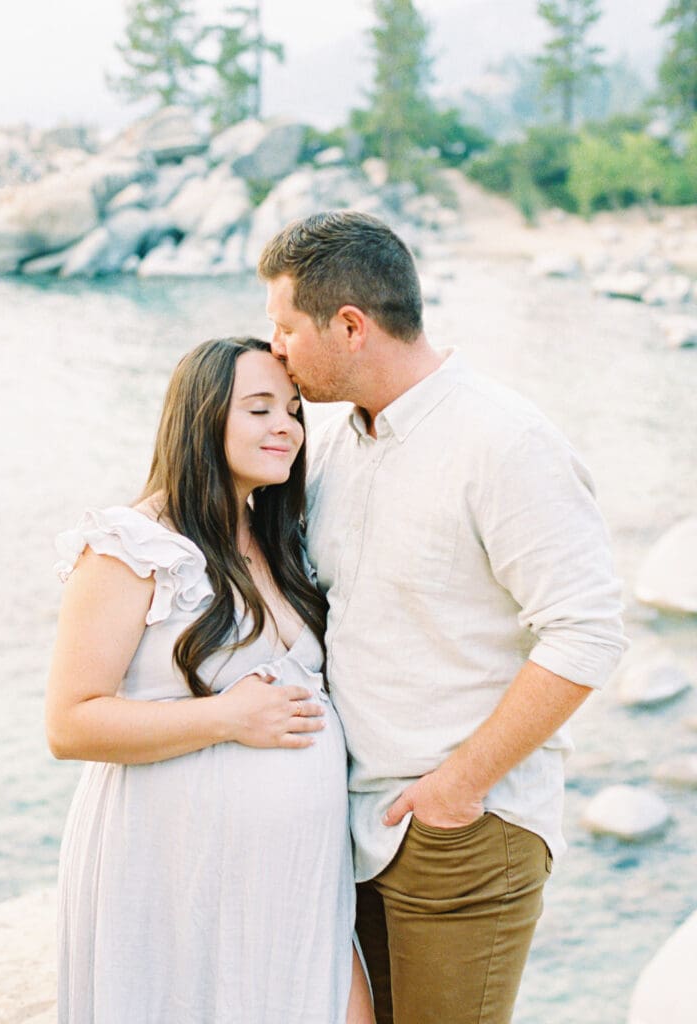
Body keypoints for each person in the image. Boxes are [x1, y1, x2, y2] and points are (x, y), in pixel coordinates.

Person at [259, 211, 628, 1024]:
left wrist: (458, 788)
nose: (274, 348)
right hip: (352, 832)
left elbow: (589, 630)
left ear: (349, 325)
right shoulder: (332, 448)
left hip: (461, 834)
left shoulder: (504, 442)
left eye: (284, 327)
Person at [45, 336, 375, 1024]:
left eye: (291, 410)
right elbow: (70, 722)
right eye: (258, 409)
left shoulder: (277, 539)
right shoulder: (129, 546)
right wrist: (225, 719)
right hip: (175, 875)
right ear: (201, 417)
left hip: (297, 881)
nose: (284, 426)